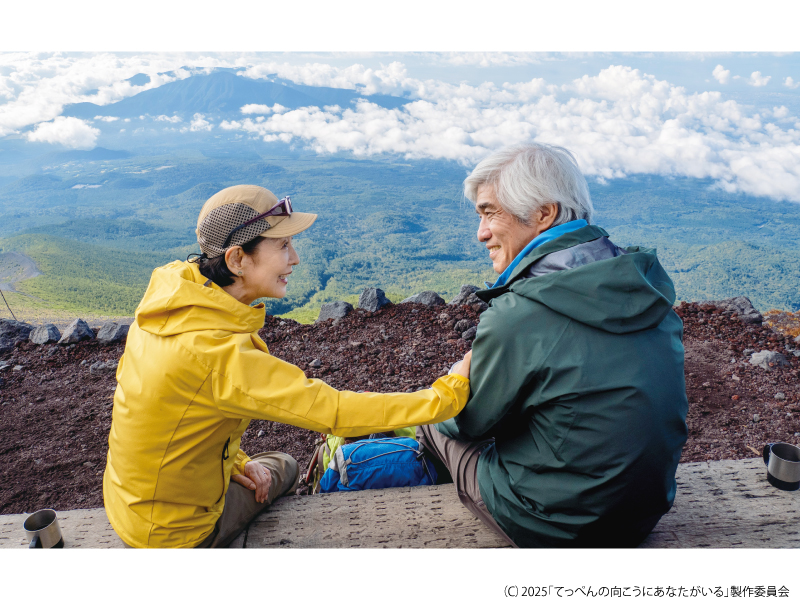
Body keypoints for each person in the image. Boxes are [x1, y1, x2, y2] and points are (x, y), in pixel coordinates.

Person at [103, 184, 472, 548]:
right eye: (282, 246)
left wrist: (239, 463)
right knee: (286, 465)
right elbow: (336, 411)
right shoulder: (216, 354)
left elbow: (164, 413)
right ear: (236, 260)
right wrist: (446, 395)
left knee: (267, 465)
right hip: (173, 533)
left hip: (128, 504)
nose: (294, 258)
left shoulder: (170, 302)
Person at [417, 143, 688, 548]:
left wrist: (457, 379)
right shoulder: (643, 287)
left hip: (559, 528)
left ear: (544, 213)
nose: (481, 233)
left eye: (490, 212)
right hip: (645, 512)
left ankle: (397, 478)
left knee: (433, 416)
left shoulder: (519, 313)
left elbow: (470, 423)